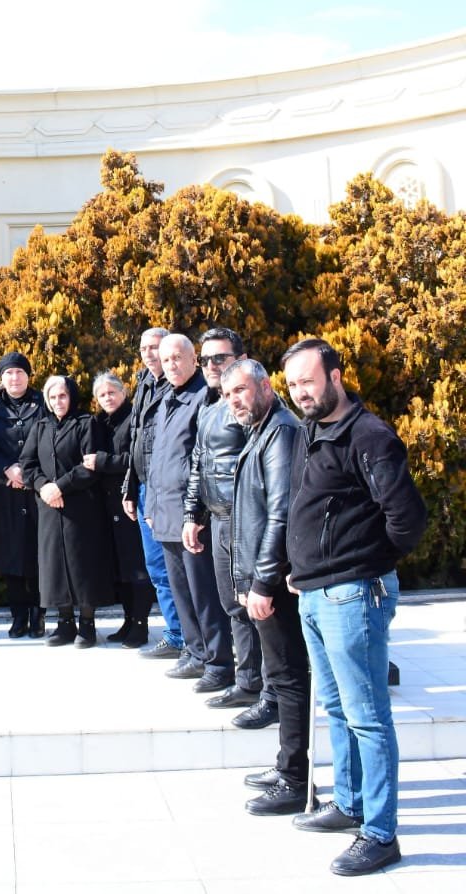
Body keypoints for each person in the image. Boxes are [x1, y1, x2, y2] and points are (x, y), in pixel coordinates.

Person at [282, 338, 427, 876]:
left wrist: (365, 564)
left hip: (352, 593)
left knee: (368, 716)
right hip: (315, 593)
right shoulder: (310, 431)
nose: (301, 393)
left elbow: (407, 520)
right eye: (293, 385)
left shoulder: (369, 436)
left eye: (309, 382)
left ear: (336, 377)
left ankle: (381, 832)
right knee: (339, 709)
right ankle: (349, 801)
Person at [214, 360, 312, 819]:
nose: (234, 399)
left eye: (241, 390)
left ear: (266, 387)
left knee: (289, 679)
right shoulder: (261, 429)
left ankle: (294, 780)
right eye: (228, 393)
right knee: (282, 676)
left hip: (274, 582)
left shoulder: (282, 432)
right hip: (261, 576)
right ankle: (286, 767)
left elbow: (279, 512)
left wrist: (262, 581)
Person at [182, 330, 271, 722]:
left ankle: (273, 690)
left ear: (242, 358)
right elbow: (199, 461)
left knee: (259, 608)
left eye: (221, 358)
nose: (213, 366)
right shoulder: (209, 407)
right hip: (218, 521)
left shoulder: (257, 406)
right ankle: (248, 681)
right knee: (232, 606)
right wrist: (191, 514)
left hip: (248, 521)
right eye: (206, 360)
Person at [147, 335, 234, 693]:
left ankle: (218, 661)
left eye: (178, 358)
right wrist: (151, 504)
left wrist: (195, 513)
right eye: (166, 360)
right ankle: (195, 652)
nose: (171, 365)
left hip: (192, 515)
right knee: (181, 592)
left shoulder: (204, 397)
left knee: (204, 594)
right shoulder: (168, 397)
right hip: (165, 512)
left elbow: (201, 461)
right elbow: (158, 458)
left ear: (193, 359)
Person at [20, 375, 113, 647]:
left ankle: (87, 623)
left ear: (71, 397)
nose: (58, 401)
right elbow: (27, 464)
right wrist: (44, 488)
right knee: (55, 566)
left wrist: (60, 487)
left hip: (81, 506)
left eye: (62, 396)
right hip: (49, 507)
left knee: (82, 564)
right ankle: (64, 623)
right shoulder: (40, 426)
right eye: (52, 397)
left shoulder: (86, 423)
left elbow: (90, 465)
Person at [121, 327, 184, 658]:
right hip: (146, 488)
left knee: (179, 569)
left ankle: (192, 637)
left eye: (155, 347)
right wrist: (129, 487)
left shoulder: (180, 387)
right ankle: (176, 634)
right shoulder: (144, 383)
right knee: (158, 568)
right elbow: (136, 441)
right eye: (144, 347)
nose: (148, 353)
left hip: (170, 491)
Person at [0, 352, 46, 638]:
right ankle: (18, 615)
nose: (14, 378)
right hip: (5, 490)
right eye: (8, 373)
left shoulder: (43, 403)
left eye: (19, 372)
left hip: (38, 490)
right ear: (1, 378)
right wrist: (6, 468)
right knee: (11, 554)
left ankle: (38, 614)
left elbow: (51, 442)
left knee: (39, 553)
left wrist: (29, 473)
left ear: (29, 376)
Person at [84, 371, 152, 648]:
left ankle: (140, 624)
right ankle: (127, 619)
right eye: (101, 394)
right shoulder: (99, 422)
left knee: (137, 566)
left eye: (112, 392)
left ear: (124, 392)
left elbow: (135, 458)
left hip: (130, 501)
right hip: (107, 504)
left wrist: (103, 461)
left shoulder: (134, 418)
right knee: (121, 568)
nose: (107, 398)